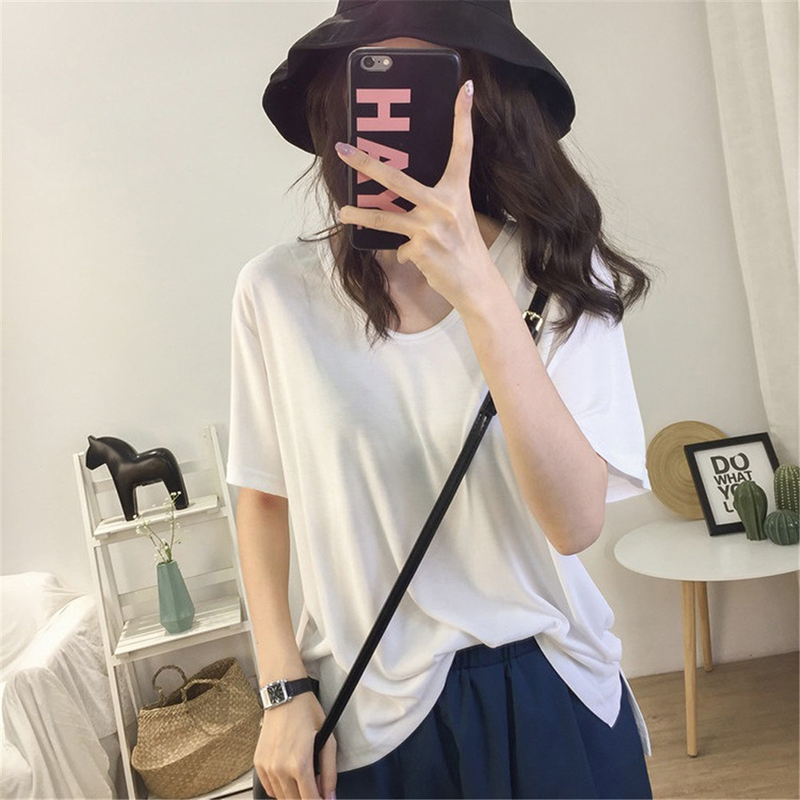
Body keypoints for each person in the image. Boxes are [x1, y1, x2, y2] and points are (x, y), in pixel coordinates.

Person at [226, 1, 658, 798]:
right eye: (372, 76)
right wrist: (281, 689)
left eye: (431, 76)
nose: (398, 110)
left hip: (550, 685)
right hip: (366, 710)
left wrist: (482, 293)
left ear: (482, 96)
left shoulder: (560, 272)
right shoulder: (277, 293)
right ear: (336, 98)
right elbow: (263, 496)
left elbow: (574, 523)